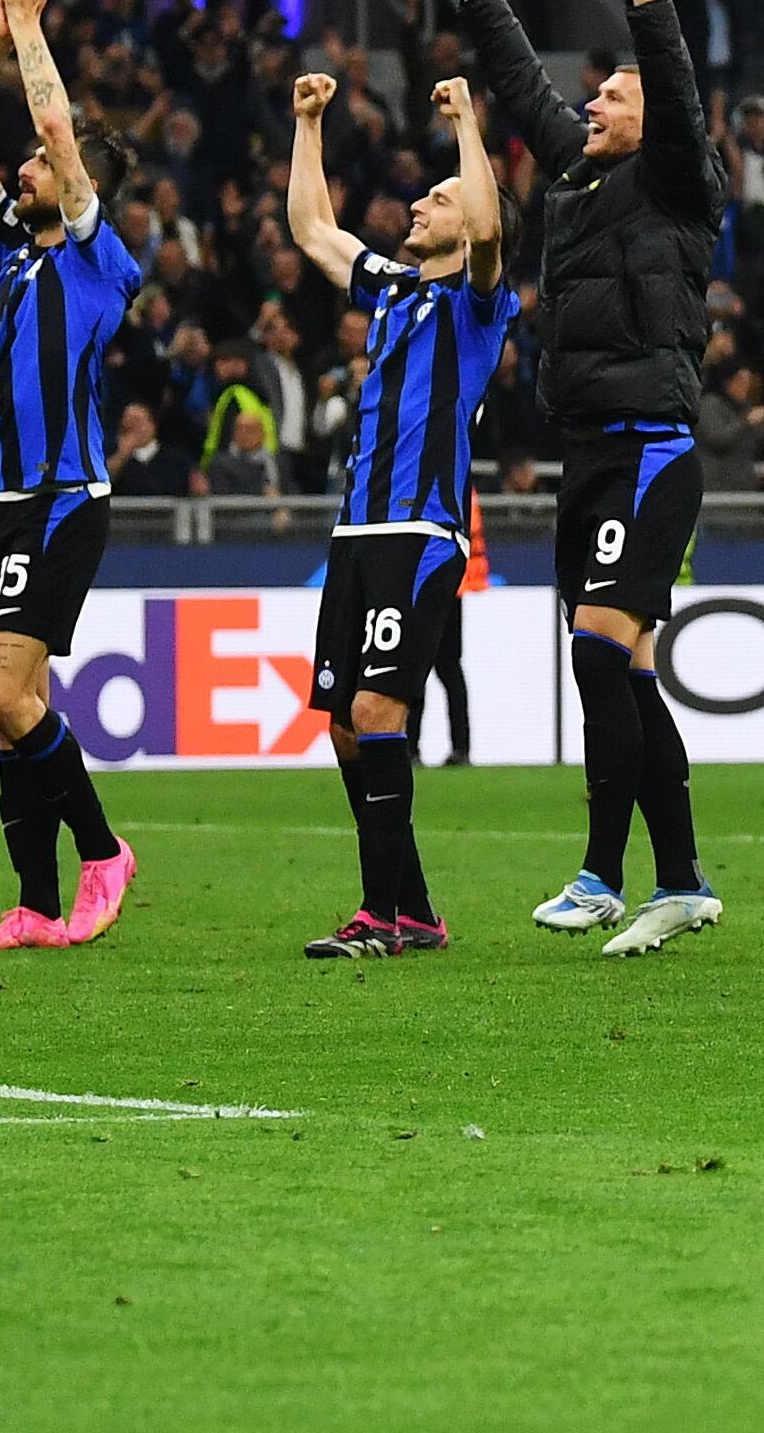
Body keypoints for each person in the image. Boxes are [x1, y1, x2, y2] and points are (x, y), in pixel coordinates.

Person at [437, 0, 727, 954]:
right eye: (595, 91)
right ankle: (685, 879)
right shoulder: (575, 176)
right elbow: (518, 84)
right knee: (622, 667)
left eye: (613, 91)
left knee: (604, 655)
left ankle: (604, 873)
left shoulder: (680, 182)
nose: (593, 101)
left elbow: (681, 95)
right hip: (587, 451)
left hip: (652, 449)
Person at [0, 0, 147, 952]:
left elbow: (55, 127)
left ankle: (103, 852)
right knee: (16, 705)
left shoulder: (101, 257)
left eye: (39, 163)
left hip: (63, 495)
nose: (19, 166)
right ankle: (34, 900)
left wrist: (30, 24)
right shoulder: (12, 251)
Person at [289, 71, 515, 959]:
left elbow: (491, 228)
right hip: (356, 531)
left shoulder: (479, 302)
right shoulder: (387, 286)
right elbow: (313, 227)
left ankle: (377, 916)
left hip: (420, 534)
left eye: (441, 197)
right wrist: (306, 123)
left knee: (381, 713)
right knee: (346, 724)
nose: (421, 203)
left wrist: (470, 122)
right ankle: (413, 906)